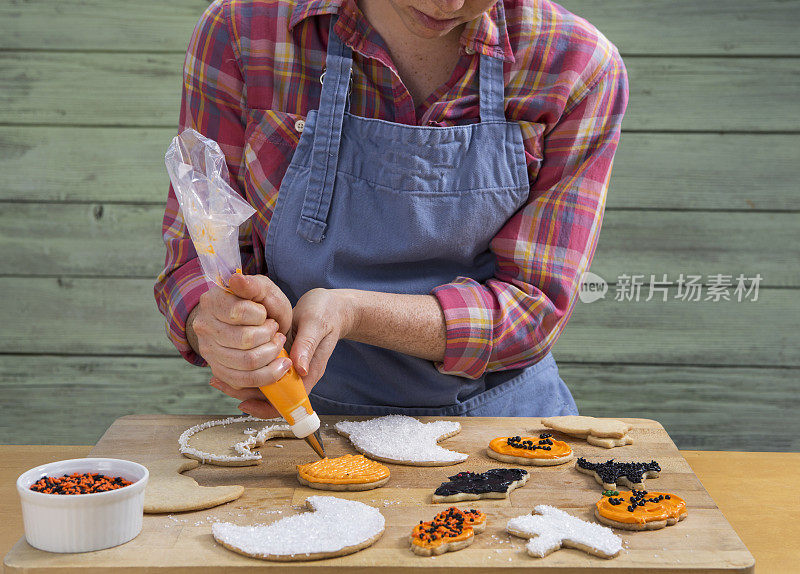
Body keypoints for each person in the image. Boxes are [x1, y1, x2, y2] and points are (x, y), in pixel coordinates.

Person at [154, 0, 628, 419]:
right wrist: (218, 328)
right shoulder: (244, 31)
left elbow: (533, 308)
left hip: (501, 425)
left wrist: (352, 312)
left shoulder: (577, 67)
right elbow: (197, 257)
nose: (449, 3)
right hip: (301, 417)